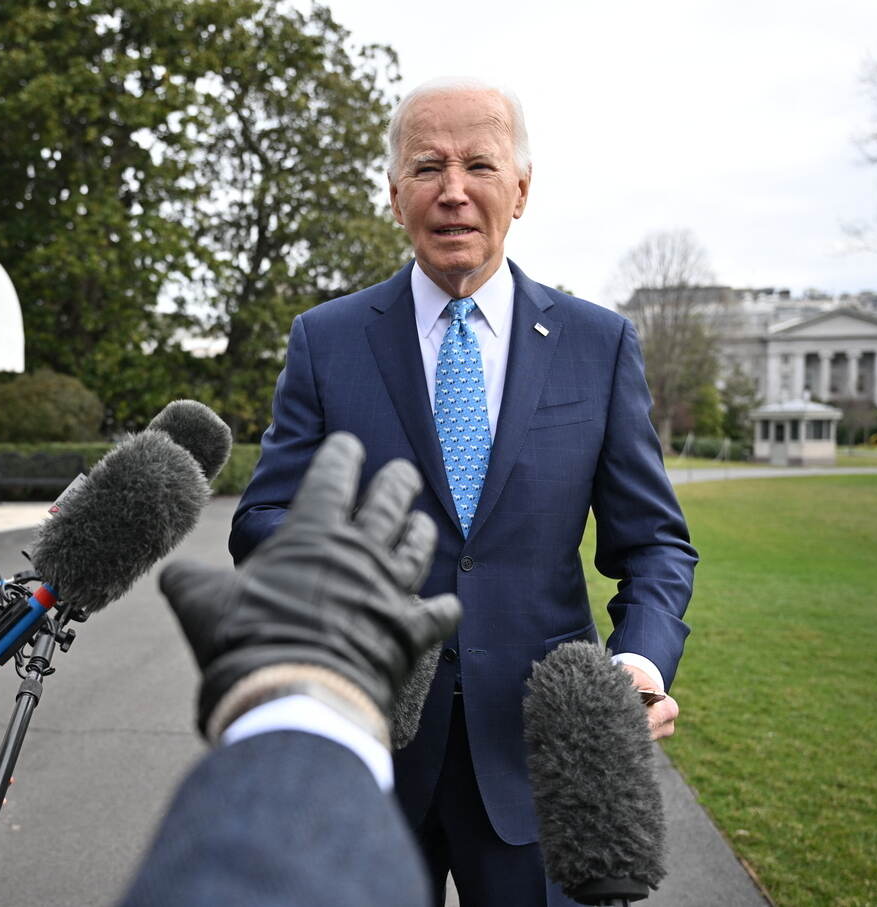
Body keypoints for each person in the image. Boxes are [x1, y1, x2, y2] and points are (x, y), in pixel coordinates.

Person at [230, 78, 696, 906]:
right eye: (427, 166)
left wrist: (640, 662)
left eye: (479, 164)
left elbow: (654, 543)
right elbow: (261, 517)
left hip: (538, 765)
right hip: (367, 756)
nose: (453, 190)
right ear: (394, 192)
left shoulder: (598, 344)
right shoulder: (327, 341)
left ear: (521, 188)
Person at [122, 432, 459, 907]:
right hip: (385, 760)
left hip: (517, 746)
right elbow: (257, 517)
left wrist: (293, 693)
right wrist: (318, 581)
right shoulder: (323, 355)